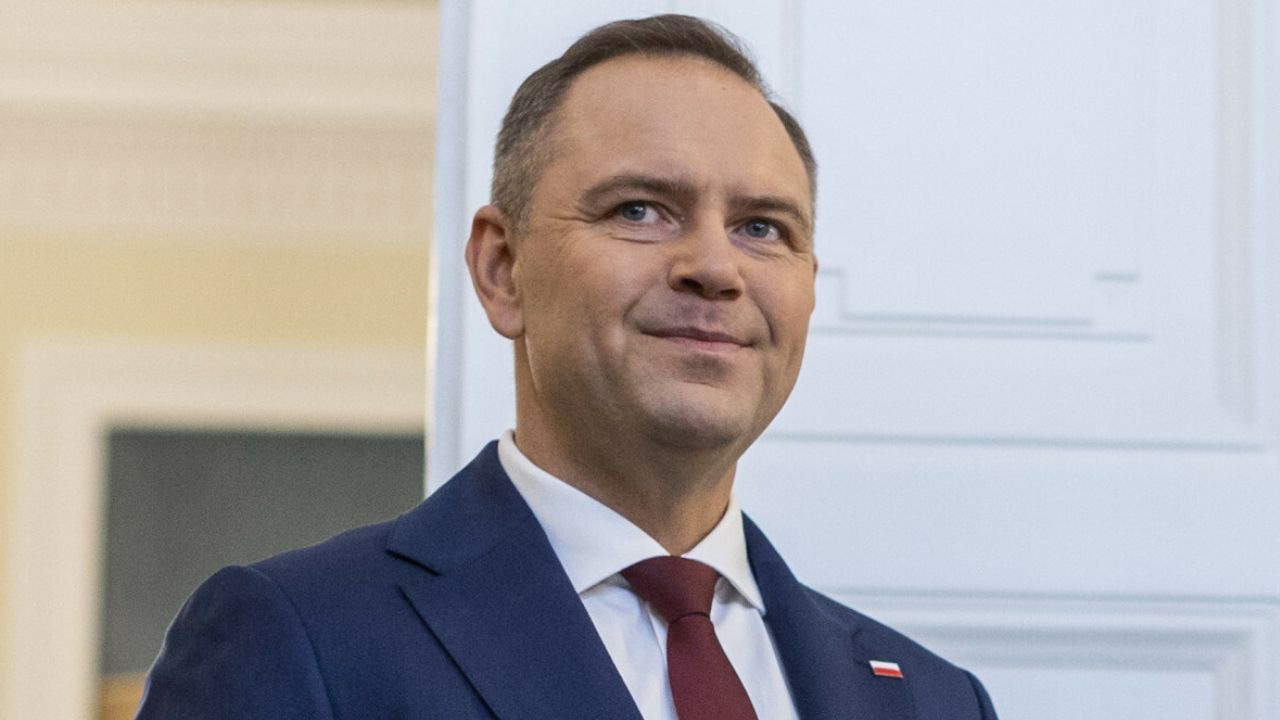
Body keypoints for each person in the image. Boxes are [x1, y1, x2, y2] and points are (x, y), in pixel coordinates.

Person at [137, 14, 998, 719]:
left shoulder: (934, 702)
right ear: (502, 269)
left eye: (762, 227)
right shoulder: (300, 640)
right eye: (641, 210)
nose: (715, 267)